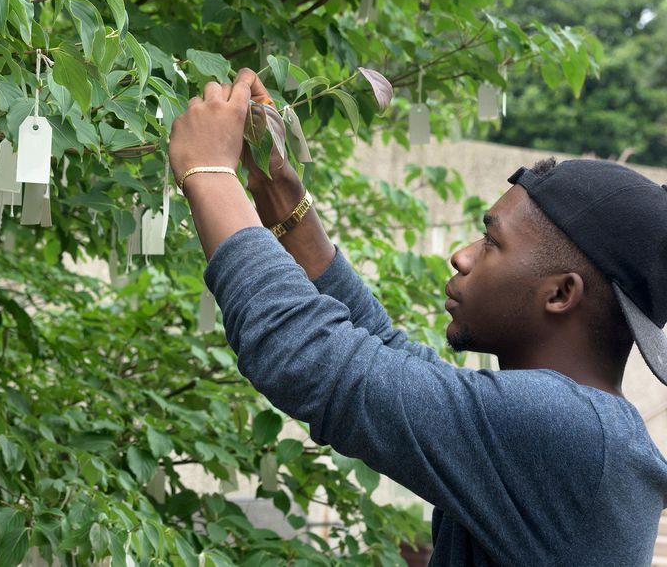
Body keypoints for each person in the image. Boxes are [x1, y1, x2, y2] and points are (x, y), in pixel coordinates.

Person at [167, 68, 667, 565]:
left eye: (492, 242)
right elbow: (381, 347)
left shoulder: (567, 430)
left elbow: (313, 359)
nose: (463, 256)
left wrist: (208, 172)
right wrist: (277, 187)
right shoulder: (582, 428)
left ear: (560, 293)